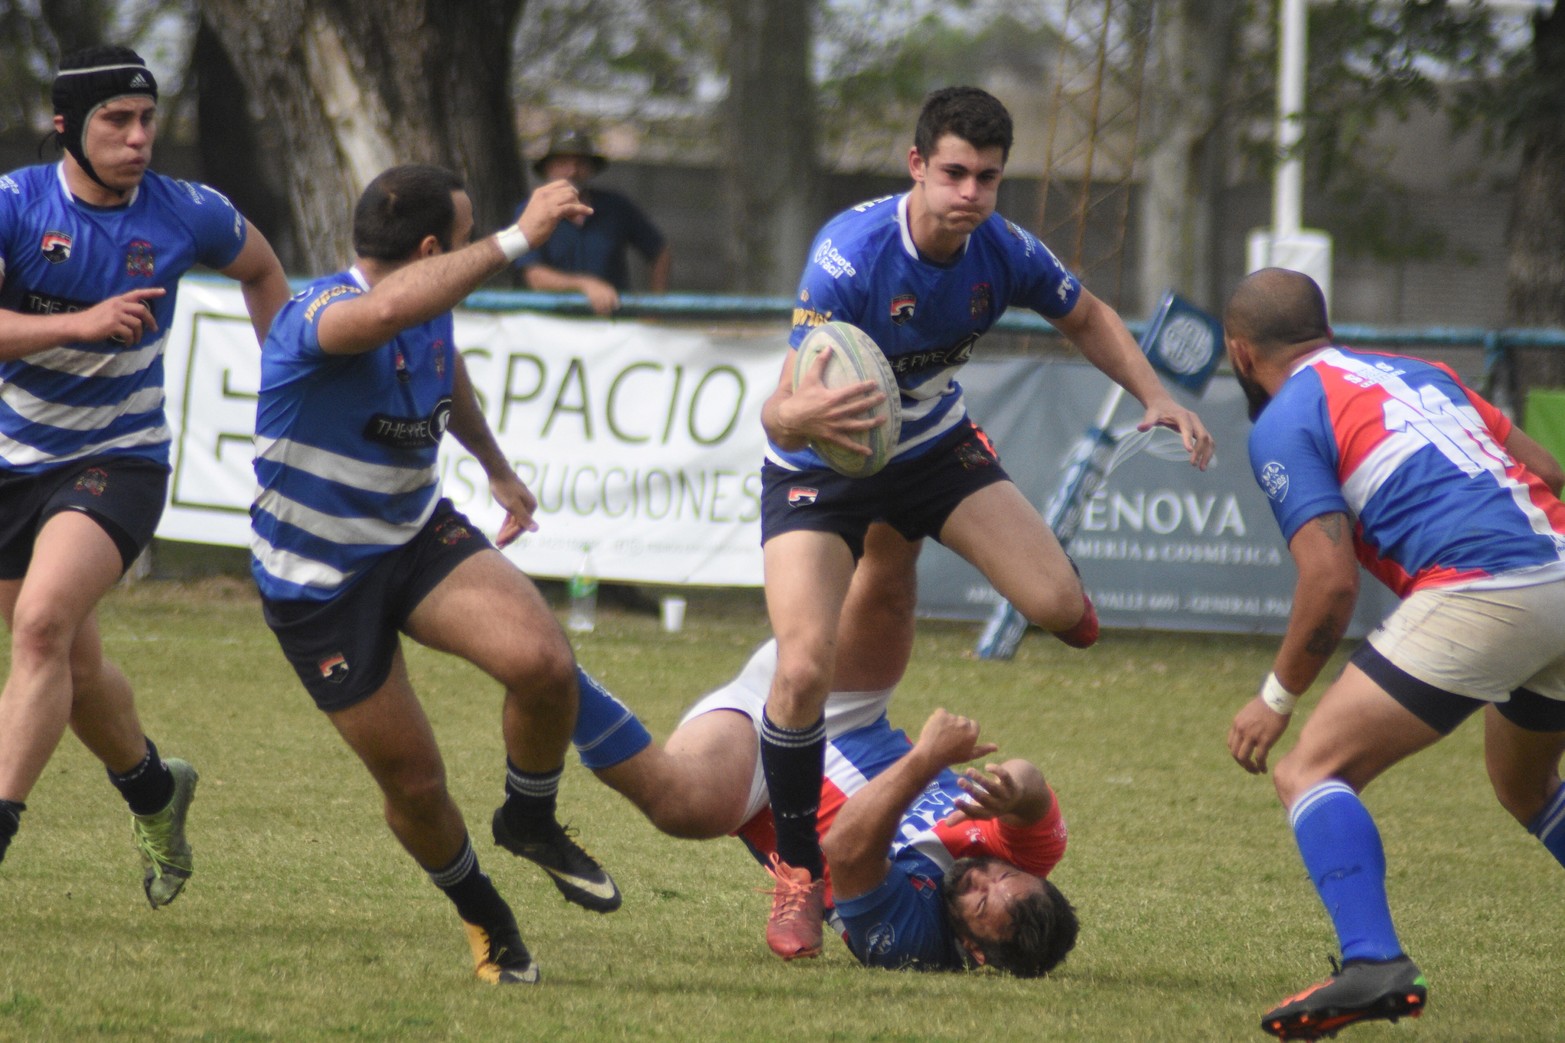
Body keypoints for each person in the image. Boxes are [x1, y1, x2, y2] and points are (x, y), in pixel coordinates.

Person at [754, 84, 1215, 959]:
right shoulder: (848, 258)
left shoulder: (1001, 249)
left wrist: (1153, 395)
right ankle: (794, 870)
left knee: (1056, 610)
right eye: (955, 173)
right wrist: (801, 420)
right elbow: (778, 414)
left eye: (989, 178)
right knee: (803, 665)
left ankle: (925, 540)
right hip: (825, 465)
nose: (970, 194)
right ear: (917, 166)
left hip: (930, 445)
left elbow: (1084, 313)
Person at [249, 163, 621, 986]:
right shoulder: (320, 315)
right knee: (416, 784)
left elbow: (439, 358)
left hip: (415, 536)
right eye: (462, 239)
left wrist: (491, 464)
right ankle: (482, 913)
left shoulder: (426, 304)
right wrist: (521, 235)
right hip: (319, 584)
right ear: (429, 250)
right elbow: (385, 312)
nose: (471, 249)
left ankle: (528, 817)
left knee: (544, 664)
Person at [1222, 268, 1565, 1040]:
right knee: (1526, 787)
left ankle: (1373, 961)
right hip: (1559, 562)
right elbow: (1548, 472)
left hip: (1483, 585)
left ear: (1240, 354)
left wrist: (1273, 699)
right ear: (1325, 327)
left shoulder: (1283, 419)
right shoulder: (1422, 370)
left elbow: (1329, 582)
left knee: (1309, 770)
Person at [0, 46, 289, 905]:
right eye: (116, 122)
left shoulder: (188, 212)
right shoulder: (16, 205)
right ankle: (156, 790)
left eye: (147, 120)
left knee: (45, 628)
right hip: (12, 457)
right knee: (71, 663)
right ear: (67, 127)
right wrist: (79, 324)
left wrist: (287, 394)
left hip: (118, 459)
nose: (138, 138)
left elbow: (266, 270)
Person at [565, 595, 1077, 973]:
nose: (981, 879)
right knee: (888, 594)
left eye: (982, 905)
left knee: (684, 807)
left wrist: (925, 760)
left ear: (978, 952)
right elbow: (1032, 786)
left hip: (757, 770)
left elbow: (847, 847)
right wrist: (1013, 788)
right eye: (1001, 876)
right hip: (843, 709)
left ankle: (554, 674)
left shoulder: (913, 946)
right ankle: (874, 484)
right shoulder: (1017, 864)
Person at [512, 128, 670, 316]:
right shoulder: (529, 211)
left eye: (580, 163)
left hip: (613, 325)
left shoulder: (616, 207)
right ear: (548, 168)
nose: (572, 171)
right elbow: (534, 276)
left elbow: (660, 251)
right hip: (551, 328)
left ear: (591, 169)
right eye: (563, 163)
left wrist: (655, 308)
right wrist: (585, 285)